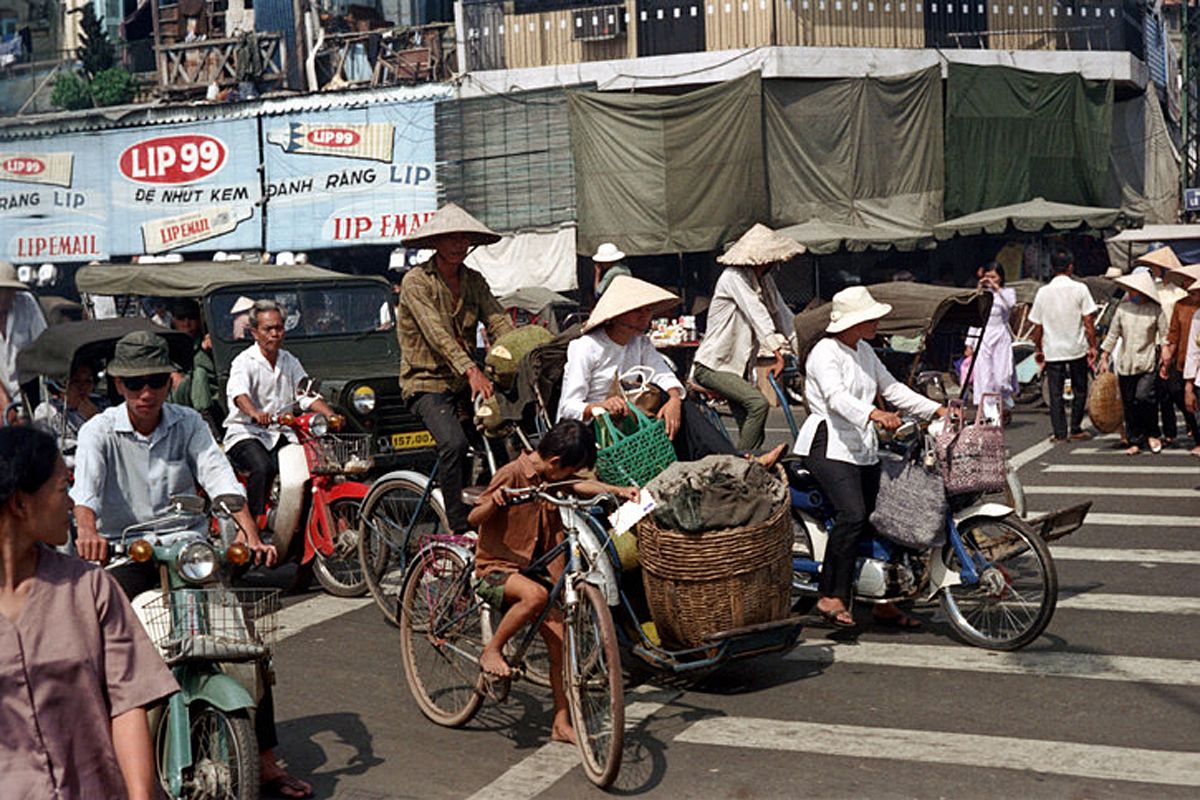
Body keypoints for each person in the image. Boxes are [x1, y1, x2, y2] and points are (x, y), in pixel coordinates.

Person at [70, 331, 312, 798]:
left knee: (246, 647)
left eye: (156, 381)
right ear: (119, 384)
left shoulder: (188, 423)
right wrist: (87, 531)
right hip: (128, 551)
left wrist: (248, 529)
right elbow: (86, 494)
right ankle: (94, 744)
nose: (147, 392)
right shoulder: (98, 430)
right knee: (98, 641)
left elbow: (217, 475)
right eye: (136, 383)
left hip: (188, 551)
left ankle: (265, 763)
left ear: (168, 381)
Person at [0, 427, 178, 799]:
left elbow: (128, 703)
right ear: (20, 504)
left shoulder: (89, 588)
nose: (71, 504)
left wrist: (140, 795)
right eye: (63, 489)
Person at [469, 419, 637, 744]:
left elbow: (575, 485)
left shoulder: (550, 477)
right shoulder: (512, 474)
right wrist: (496, 500)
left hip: (533, 572)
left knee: (560, 643)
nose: (570, 477)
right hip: (496, 570)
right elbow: (473, 517)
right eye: (569, 469)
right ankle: (492, 650)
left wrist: (616, 491)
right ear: (555, 462)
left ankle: (560, 722)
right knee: (534, 596)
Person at [794, 286, 947, 629]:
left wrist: (936, 408)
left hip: (861, 446)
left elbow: (892, 389)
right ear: (853, 321)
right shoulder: (824, 352)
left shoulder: (863, 350)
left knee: (890, 510)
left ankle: (885, 601)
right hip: (827, 445)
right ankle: (831, 595)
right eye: (871, 317)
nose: (877, 321)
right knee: (853, 515)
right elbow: (835, 398)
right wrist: (875, 415)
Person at [558, 275, 787, 466]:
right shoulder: (586, 347)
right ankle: (736, 462)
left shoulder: (640, 343)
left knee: (684, 406)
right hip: (599, 433)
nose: (646, 318)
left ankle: (734, 462)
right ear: (618, 315)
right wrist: (600, 406)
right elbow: (567, 408)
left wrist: (675, 399)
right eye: (639, 312)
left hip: (633, 421)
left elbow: (662, 373)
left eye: (648, 311)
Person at [395, 203, 516, 535]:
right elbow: (438, 335)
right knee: (454, 445)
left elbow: (498, 321)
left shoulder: (474, 281)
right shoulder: (416, 282)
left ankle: (498, 512)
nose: (458, 245)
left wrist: (521, 349)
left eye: (463, 238)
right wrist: (470, 370)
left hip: (465, 381)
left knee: (505, 437)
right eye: (450, 238)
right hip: (425, 383)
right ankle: (459, 528)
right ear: (436, 242)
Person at [224, 300, 336, 524]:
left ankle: (293, 522)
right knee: (263, 467)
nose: (275, 334)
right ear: (255, 332)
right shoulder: (244, 362)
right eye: (268, 329)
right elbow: (239, 395)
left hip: (282, 432)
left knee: (308, 467)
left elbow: (305, 394)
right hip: (247, 433)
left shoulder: (289, 360)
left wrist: (330, 415)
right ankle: (255, 523)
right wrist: (255, 413)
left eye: (279, 328)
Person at [693, 224, 800, 451]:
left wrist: (803, 351)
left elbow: (782, 314)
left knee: (753, 430)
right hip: (713, 365)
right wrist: (777, 353)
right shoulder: (732, 277)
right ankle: (741, 465)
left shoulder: (764, 281)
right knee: (758, 404)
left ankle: (750, 469)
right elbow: (756, 313)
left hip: (737, 368)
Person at [1029, 247, 1099, 443]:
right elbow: (1088, 321)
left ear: (1052, 268)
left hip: (1053, 349)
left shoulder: (1043, 292)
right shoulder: (1080, 289)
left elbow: (1037, 326)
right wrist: (1093, 346)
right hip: (1076, 347)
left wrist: (1039, 348)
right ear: (1070, 267)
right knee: (1080, 389)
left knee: (1055, 393)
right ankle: (1076, 427)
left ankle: (1060, 433)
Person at [1100, 270, 1168, 455]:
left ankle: (1153, 433)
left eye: (1135, 291)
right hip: (1126, 361)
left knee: (1144, 397)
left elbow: (1164, 335)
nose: (1131, 294)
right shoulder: (1123, 309)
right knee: (1129, 402)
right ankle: (1135, 439)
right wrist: (1104, 355)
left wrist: (1165, 355)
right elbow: (1113, 334)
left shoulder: (1155, 310)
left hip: (1147, 361)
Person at [962, 263, 1017, 422]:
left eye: (994, 277)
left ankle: (1003, 402)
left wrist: (996, 288)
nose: (991, 280)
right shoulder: (981, 295)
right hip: (983, 335)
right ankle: (991, 415)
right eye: (988, 277)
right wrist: (969, 343)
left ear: (1001, 277)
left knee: (1001, 376)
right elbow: (975, 318)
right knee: (984, 376)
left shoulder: (1007, 293)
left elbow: (1011, 305)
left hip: (1000, 335)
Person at [0, 260, 47, 420]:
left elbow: (43, 343)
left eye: (10, 290)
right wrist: (5, 404)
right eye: (2, 291)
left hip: (31, 394)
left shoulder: (26, 302)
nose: (6, 296)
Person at [1162, 264, 1200, 456]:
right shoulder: (1181, 304)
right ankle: (1192, 424)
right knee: (1176, 391)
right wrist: (1167, 357)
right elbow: (1174, 333)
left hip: (1196, 361)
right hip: (1184, 358)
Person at [168, 298, 223, 431]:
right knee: (198, 375)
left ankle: (207, 420)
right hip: (181, 394)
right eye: (181, 318)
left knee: (200, 374)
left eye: (192, 317)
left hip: (213, 392)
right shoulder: (169, 343)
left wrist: (212, 349)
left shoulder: (210, 338)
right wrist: (172, 371)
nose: (187, 323)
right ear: (174, 320)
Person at [33, 361, 101, 466]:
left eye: (88, 381)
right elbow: (44, 450)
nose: (83, 387)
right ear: (62, 385)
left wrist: (95, 417)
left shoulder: (102, 407)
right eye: (76, 381)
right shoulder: (47, 410)